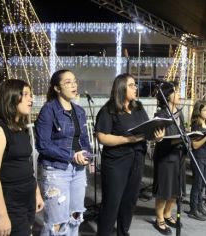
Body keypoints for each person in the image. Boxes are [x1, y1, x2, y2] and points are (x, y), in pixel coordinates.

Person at [95, 73, 164, 236]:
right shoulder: (109, 109)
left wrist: (156, 137)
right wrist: (127, 139)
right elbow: (102, 137)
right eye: (132, 85)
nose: (136, 88)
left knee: (129, 201)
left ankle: (122, 232)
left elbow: (147, 130)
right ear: (121, 87)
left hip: (137, 159)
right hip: (116, 162)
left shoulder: (138, 107)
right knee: (112, 203)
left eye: (135, 85)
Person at [0, 79, 44, 236]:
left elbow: (26, 164)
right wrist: (2, 216)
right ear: (11, 97)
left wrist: (36, 193)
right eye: (25, 95)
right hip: (10, 201)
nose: (31, 99)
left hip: (26, 195)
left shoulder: (19, 127)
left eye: (31, 94)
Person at [35, 69, 92, 235]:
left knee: (75, 216)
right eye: (68, 82)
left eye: (74, 81)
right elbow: (43, 145)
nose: (73, 85)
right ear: (56, 88)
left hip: (78, 170)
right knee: (56, 223)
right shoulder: (48, 110)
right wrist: (71, 156)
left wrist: (87, 155)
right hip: (56, 170)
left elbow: (84, 140)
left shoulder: (79, 111)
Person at [152, 81, 184, 235]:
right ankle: (159, 218)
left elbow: (183, 131)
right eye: (176, 92)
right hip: (165, 155)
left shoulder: (179, 111)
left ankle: (167, 213)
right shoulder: (160, 114)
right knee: (164, 189)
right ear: (167, 96)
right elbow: (158, 138)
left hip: (178, 155)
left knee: (175, 189)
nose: (179, 94)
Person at [188, 100, 206, 221]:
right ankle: (193, 209)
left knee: (203, 184)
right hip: (198, 156)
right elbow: (195, 145)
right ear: (199, 111)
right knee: (197, 183)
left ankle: (199, 205)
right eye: (205, 110)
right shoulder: (196, 126)